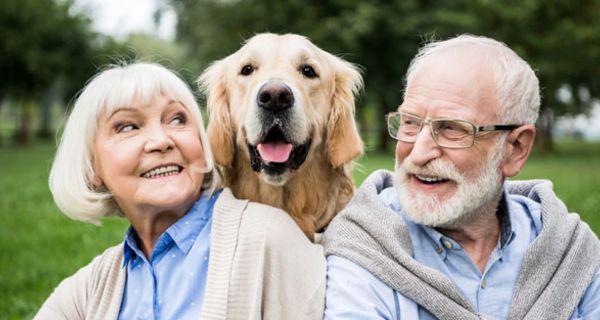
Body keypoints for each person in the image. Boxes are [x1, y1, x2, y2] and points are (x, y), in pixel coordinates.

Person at [323, 35, 600, 319]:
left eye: (452, 129)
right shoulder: (363, 247)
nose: (418, 154)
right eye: (409, 123)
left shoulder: (571, 253)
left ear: (515, 149)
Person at [35, 62, 325, 319]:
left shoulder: (267, 238)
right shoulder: (87, 291)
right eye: (127, 127)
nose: (161, 141)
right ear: (91, 168)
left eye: (177, 119)